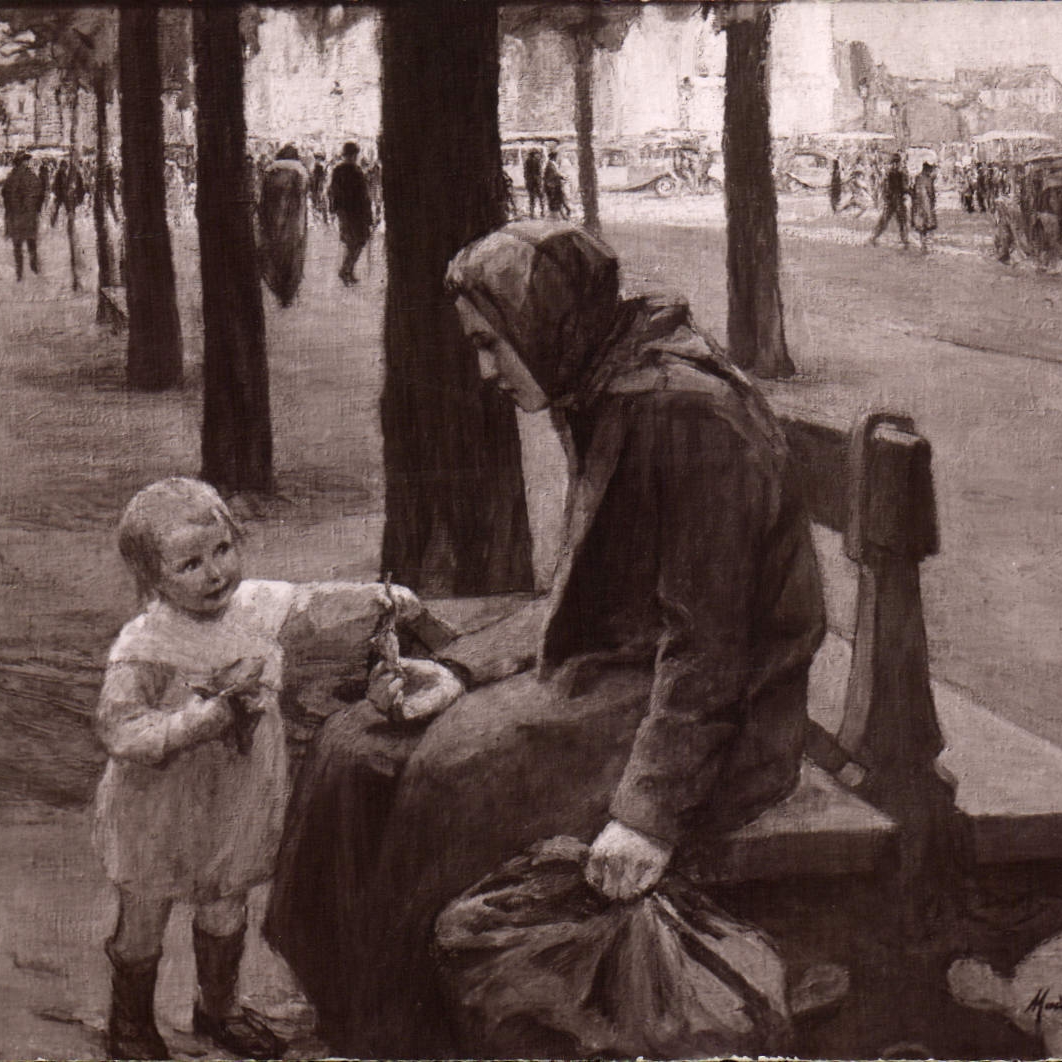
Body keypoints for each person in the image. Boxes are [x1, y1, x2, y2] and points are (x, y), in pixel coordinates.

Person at [264, 222, 826, 1059]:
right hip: (632, 672)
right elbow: (585, 586)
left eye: (491, 345)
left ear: (545, 320)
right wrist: (459, 670)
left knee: (457, 772)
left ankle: (405, 1037)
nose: (487, 372)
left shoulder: (683, 411)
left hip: (723, 718)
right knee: (355, 745)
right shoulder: (603, 385)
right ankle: (344, 1013)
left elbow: (711, 645)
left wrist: (646, 815)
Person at [96, 476, 455, 1061]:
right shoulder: (146, 644)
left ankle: (218, 1009)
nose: (215, 573)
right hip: (159, 809)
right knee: (144, 915)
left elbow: (312, 606)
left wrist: (381, 599)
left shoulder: (255, 606)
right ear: (153, 578)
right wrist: (199, 721)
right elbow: (121, 729)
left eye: (222, 550)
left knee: (225, 905)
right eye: (190, 564)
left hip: (234, 800)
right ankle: (131, 1024)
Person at [258, 144, 311, 307]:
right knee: (293, 256)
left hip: (272, 220)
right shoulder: (300, 172)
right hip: (293, 223)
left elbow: (262, 200)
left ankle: (278, 288)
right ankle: (288, 293)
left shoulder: (270, 172)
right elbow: (302, 198)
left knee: (273, 254)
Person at [328, 141, 375, 286]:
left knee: (355, 242)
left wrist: (334, 208)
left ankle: (348, 270)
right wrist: (369, 215)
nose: (354, 157)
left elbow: (333, 191)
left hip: (349, 212)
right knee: (355, 242)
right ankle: (346, 270)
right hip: (354, 212)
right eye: (353, 155)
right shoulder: (354, 171)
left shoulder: (341, 170)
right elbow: (363, 195)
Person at [0, 151, 44, 281]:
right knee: (31, 243)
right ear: (23, 162)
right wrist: (37, 208)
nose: (28, 163)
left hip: (16, 217)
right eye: (26, 161)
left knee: (17, 246)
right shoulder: (31, 176)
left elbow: (4, 194)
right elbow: (40, 193)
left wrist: (10, 210)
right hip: (29, 216)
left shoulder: (11, 177)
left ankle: (19, 274)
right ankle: (34, 269)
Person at [869, 152, 910, 247]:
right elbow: (886, 189)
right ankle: (874, 237)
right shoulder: (890, 175)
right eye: (893, 163)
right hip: (893, 201)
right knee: (886, 220)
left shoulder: (898, 174)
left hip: (896, 201)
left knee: (901, 220)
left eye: (897, 163)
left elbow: (903, 187)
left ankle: (904, 240)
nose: (895, 165)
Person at [911, 160, 939, 254]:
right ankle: (928, 247)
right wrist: (933, 202)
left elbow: (913, 191)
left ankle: (923, 245)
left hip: (918, 206)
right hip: (926, 206)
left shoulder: (917, 178)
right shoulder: (928, 179)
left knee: (921, 227)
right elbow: (931, 193)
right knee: (928, 226)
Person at [542, 150, 570, 220]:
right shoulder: (550, 164)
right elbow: (555, 174)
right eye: (556, 156)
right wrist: (563, 177)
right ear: (554, 157)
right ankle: (563, 214)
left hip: (554, 185)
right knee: (557, 199)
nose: (558, 158)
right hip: (552, 185)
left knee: (559, 199)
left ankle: (564, 213)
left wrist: (562, 177)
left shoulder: (552, 164)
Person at [523, 146, 545, 218]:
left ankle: (532, 213)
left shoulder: (527, 161)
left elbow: (525, 173)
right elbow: (539, 171)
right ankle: (542, 211)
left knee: (532, 197)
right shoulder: (537, 161)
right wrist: (540, 179)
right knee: (540, 196)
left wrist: (527, 180)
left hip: (530, 181)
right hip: (536, 181)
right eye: (535, 153)